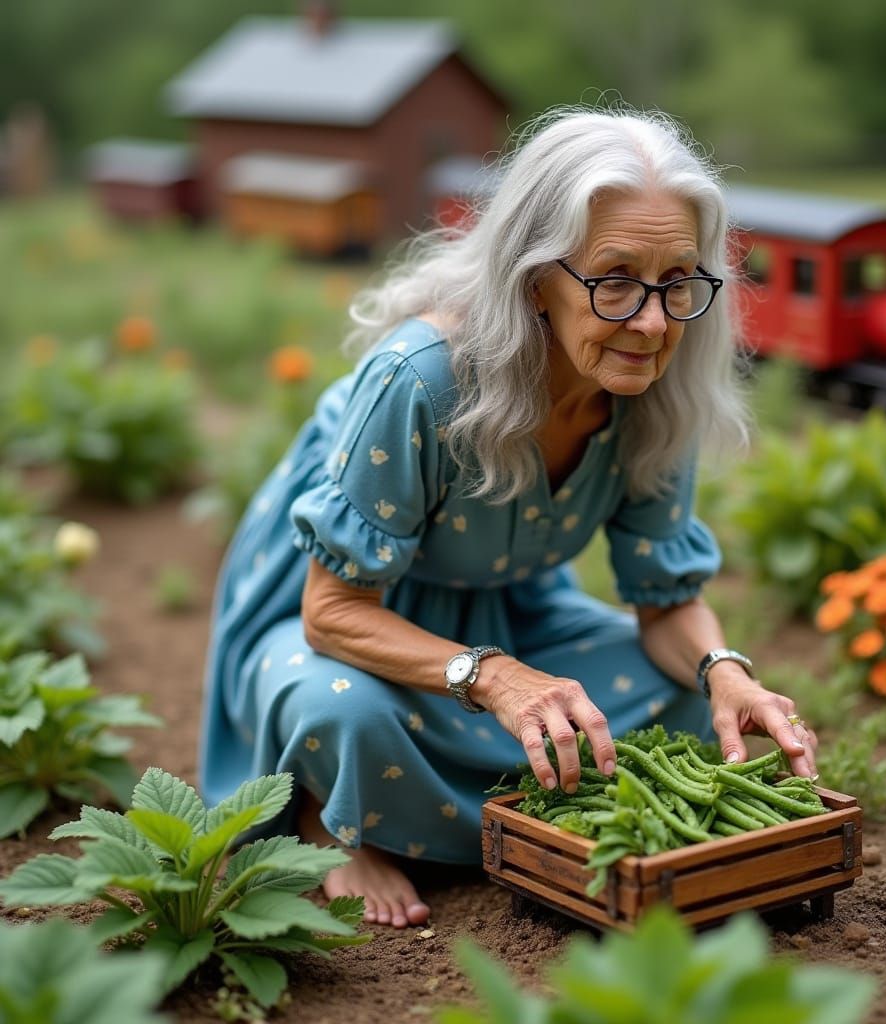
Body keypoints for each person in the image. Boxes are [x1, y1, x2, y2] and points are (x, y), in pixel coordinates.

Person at [199, 106, 819, 930]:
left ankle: (463, 799)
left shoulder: (654, 390)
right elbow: (333, 613)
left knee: (682, 702)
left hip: (505, 604)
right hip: (342, 618)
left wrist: (725, 673)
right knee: (340, 712)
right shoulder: (423, 381)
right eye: (616, 279)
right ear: (535, 278)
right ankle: (332, 819)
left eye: (678, 281)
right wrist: (497, 678)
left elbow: (666, 605)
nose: (653, 321)